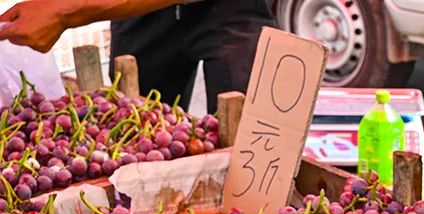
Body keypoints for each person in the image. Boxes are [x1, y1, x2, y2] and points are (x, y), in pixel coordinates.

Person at [0, 0, 274, 112]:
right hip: (137, 13)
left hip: (230, 9)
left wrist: (66, 11)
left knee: (256, 135)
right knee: (137, 124)